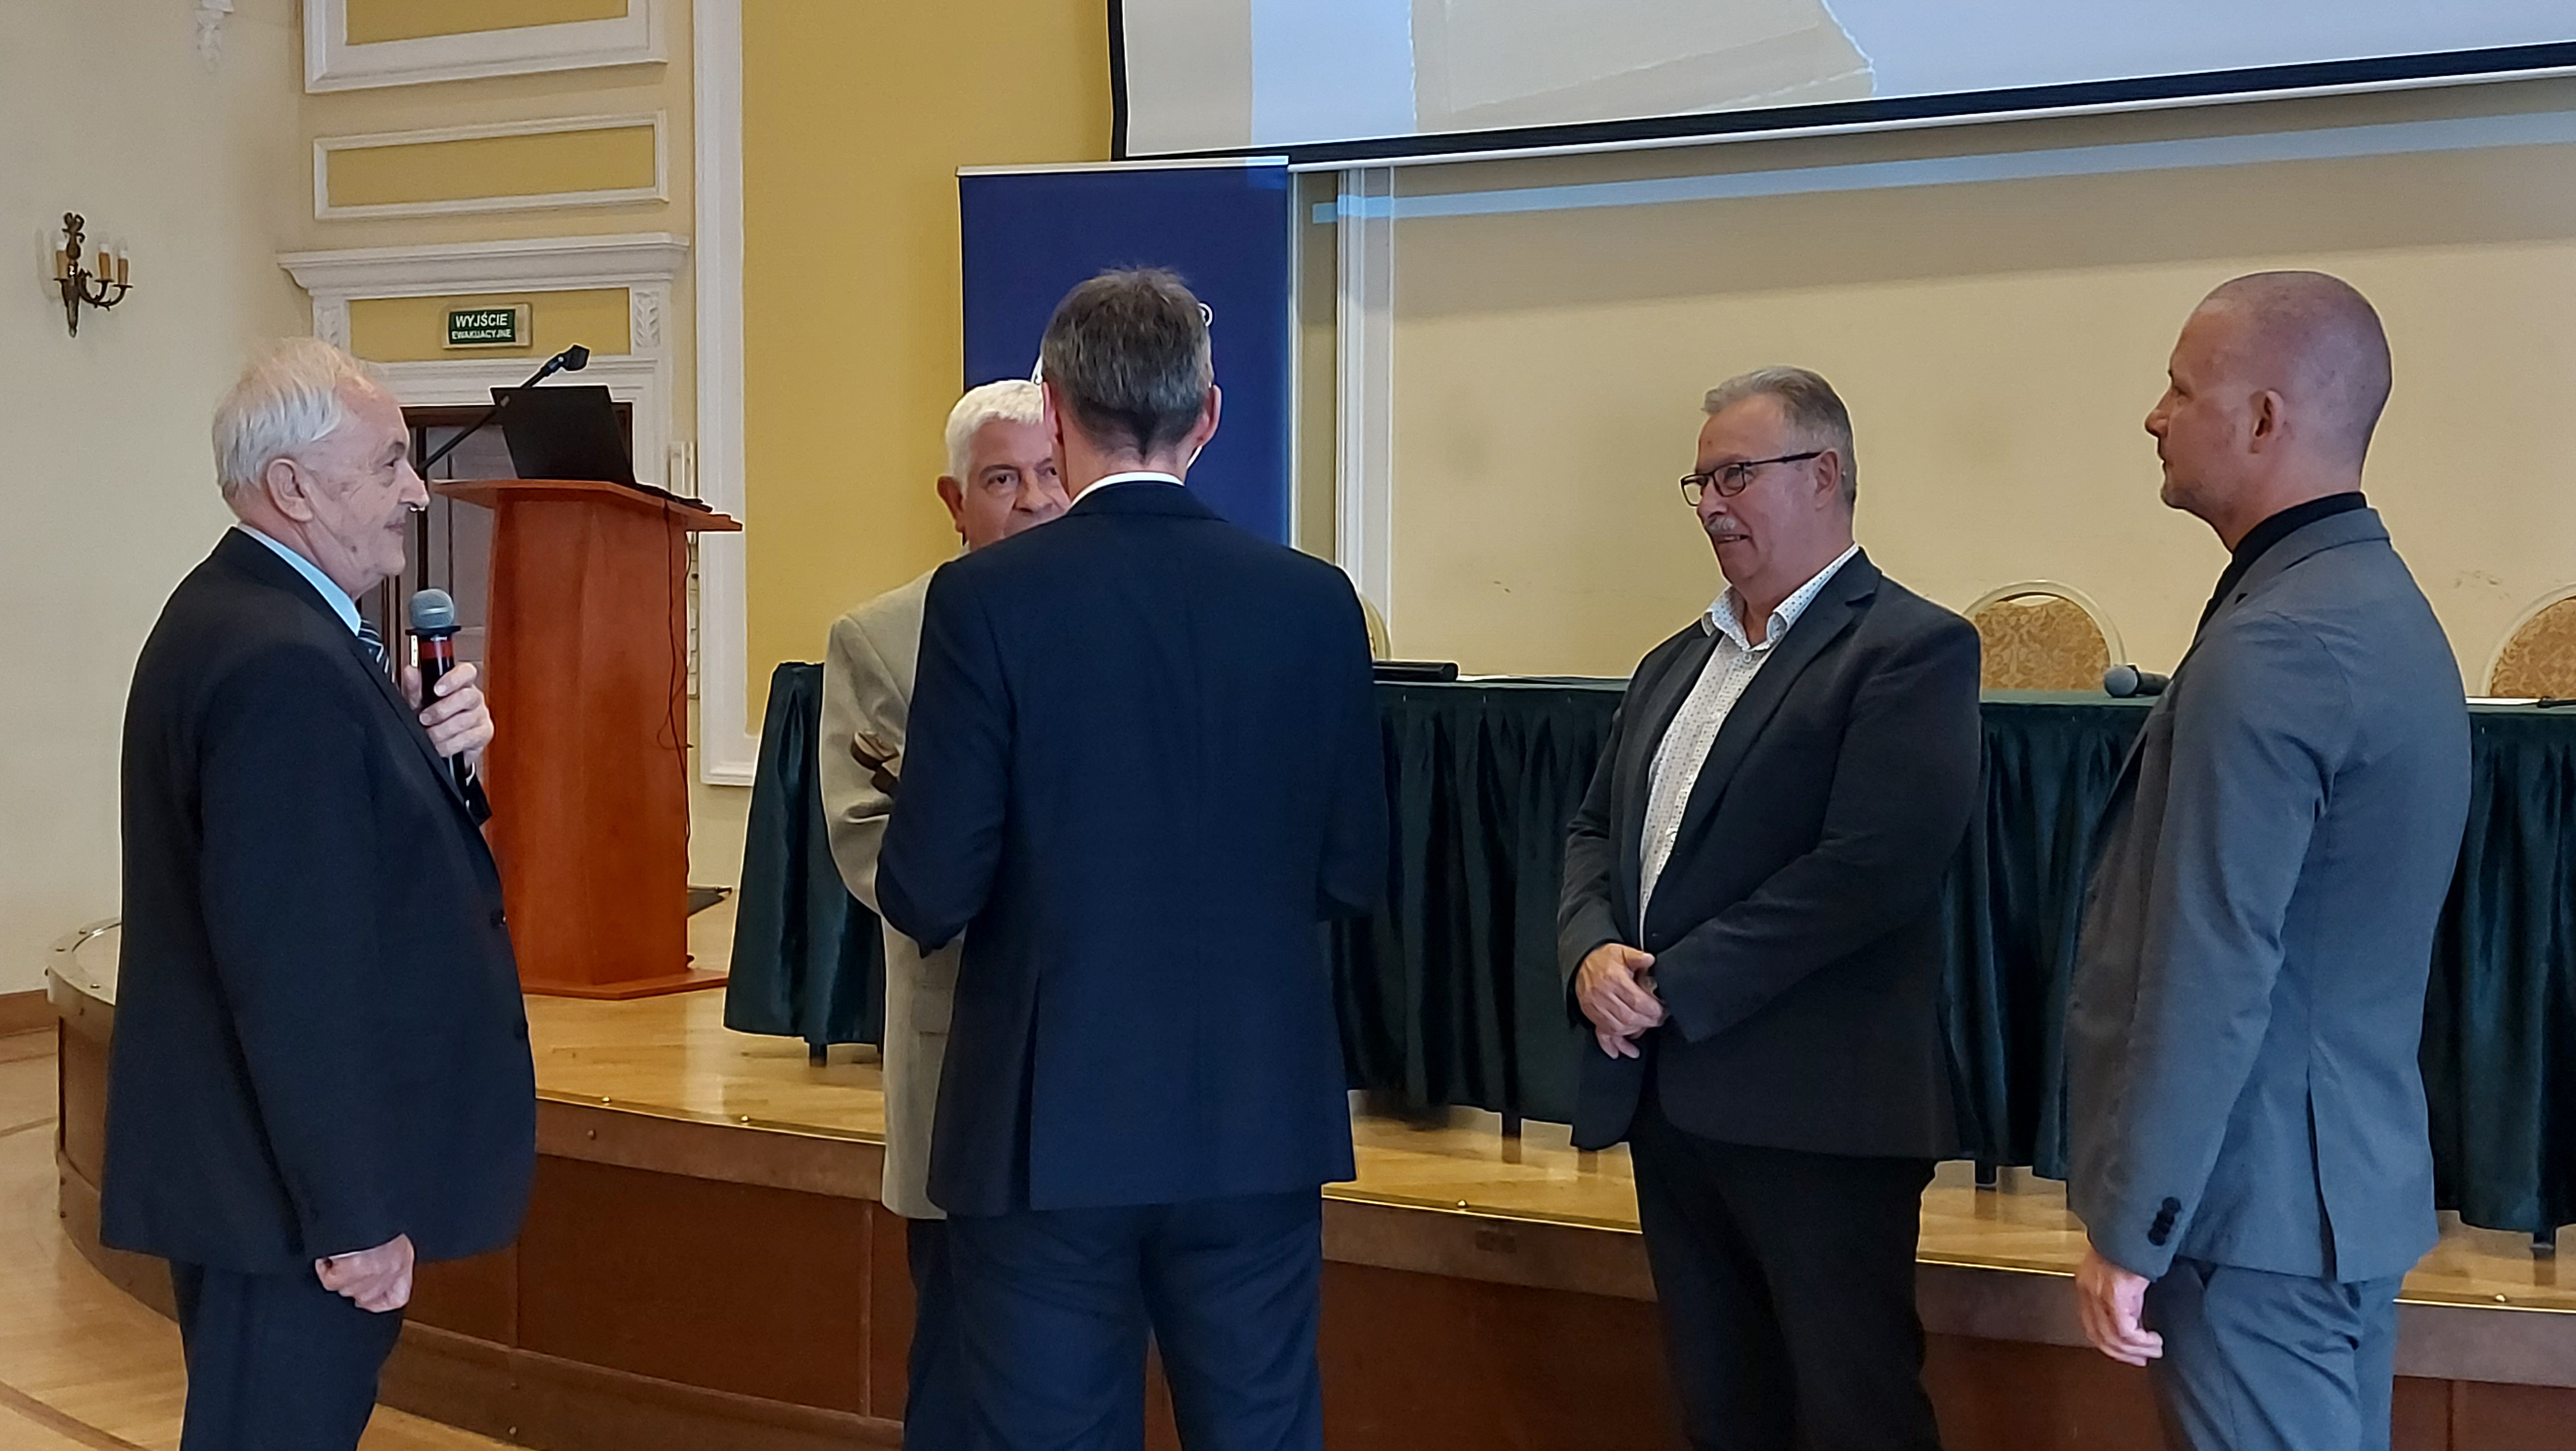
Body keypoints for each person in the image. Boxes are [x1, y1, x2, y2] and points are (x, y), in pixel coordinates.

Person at [877, 269, 1387, 1451]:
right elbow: (1352, 871)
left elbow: (928, 890)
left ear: (1053, 414)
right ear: (1209, 414)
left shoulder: (984, 600)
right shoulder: (1316, 603)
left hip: (1046, 1121)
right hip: (1257, 1112)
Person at [104, 338, 535, 1451]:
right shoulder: (281, 663)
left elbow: (339, 875)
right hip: (288, 1205)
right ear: (292, 487)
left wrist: (430, 761)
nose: (416, 490)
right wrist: (354, 1216)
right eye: (388, 461)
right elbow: (297, 971)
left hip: (267, 1186)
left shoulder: (260, 622)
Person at [2066, 273, 2470, 1451]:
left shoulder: (2279, 641)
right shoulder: (2376, 604)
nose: (2153, 416)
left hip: (2251, 1215)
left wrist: (2136, 1226)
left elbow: (2212, 964)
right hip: (2336, 1192)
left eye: (2180, 389)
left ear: (2261, 419)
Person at [1558, 367, 1982, 1451]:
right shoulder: (1672, 663)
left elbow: (1870, 870)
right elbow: (1593, 831)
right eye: (1700, 482)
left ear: (1823, 475)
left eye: (1735, 476)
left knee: (1853, 1414)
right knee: (1722, 1410)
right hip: (1671, 1104)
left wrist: (1671, 984)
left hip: (1819, 1116)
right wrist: (1590, 952)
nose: (1709, 504)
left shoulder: (1909, 648)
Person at [817, 378, 1070, 1448]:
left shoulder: (1113, 614)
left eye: (1051, 472)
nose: (1035, 499)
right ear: (954, 501)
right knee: (964, 1372)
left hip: (1104, 1071)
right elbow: (872, 849)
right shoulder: (882, 638)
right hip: (963, 1049)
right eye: (1003, 479)